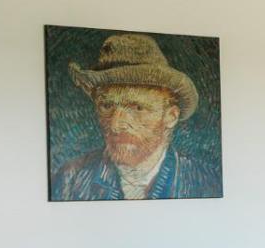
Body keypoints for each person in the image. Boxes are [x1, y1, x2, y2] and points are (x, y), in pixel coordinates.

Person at [51, 33, 221, 200]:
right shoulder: (69, 180)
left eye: (138, 108)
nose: (115, 125)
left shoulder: (206, 182)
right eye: (106, 106)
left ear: (171, 116)